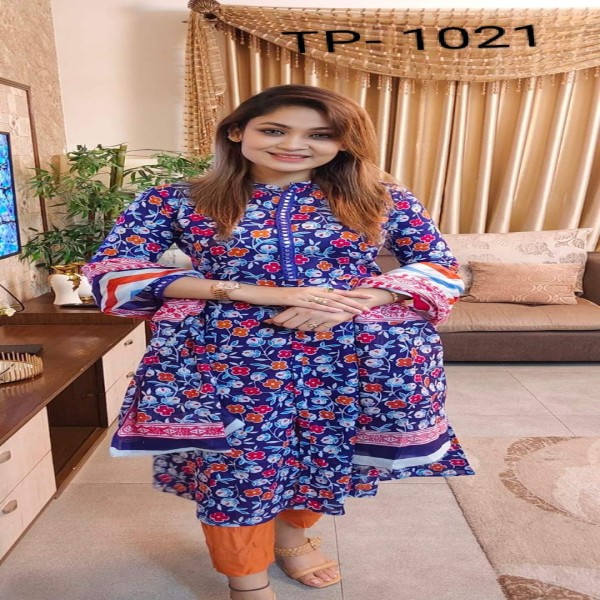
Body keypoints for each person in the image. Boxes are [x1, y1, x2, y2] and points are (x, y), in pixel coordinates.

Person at [84, 84, 475, 600]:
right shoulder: (175, 199)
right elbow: (113, 270)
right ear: (236, 131)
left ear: (343, 142)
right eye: (274, 130)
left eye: (320, 135)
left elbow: (439, 266)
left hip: (347, 354)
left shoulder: (382, 196)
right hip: (228, 356)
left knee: (322, 452)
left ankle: (292, 538)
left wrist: (357, 299)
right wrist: (252, 291)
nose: (294, 145)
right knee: (238, 469)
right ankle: (246, 581)